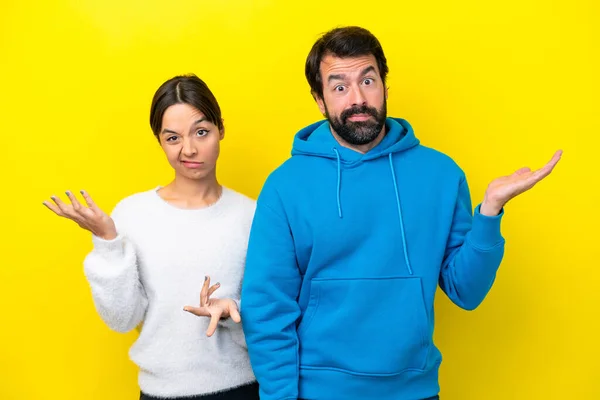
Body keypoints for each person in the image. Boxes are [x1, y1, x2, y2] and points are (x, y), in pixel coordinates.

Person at [240, 26, 562, 400]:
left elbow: (466, 291)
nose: (358, 99)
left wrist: (490, 211)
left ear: (385, 86)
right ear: (319, 99)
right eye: (339, 87)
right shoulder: (285, 185)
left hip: (416, 390)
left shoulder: (441, 175)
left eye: (368, 80)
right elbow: (267, 308)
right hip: (319, 392)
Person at [43, 74, 259, 400]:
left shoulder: (252, 216)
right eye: (173, 138)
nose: (189, 149)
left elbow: (272, 316)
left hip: (240, 390)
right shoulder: (132, 215)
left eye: (201, 132)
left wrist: (233, 312)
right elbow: (121, 319)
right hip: (158, 392)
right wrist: (108, 242)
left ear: (221, 129)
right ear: (159, 140)